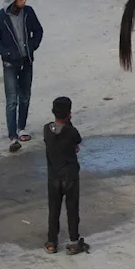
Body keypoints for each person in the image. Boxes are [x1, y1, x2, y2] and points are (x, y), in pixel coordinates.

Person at [0, 0, 44, 152]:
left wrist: (33, 46)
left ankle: (22, 127)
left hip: (27, 61)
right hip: (10, 64)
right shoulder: (0, 18)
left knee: (25, 96)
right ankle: (12, 135)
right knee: (12, 100)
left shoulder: (28, 13)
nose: (24, 1)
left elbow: (38, 30)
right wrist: (7, 53)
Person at [44, 96, 87, 255]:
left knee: (53, 210)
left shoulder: (46, 130)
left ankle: (51, 242)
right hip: (70, 176)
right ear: (69, 114)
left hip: (53, 176)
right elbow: (77, 140)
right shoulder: (72, 132)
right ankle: (74, 241)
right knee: (72, 209)